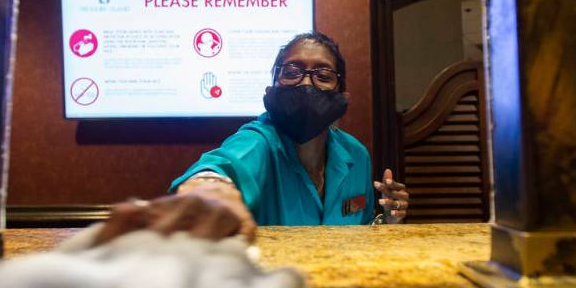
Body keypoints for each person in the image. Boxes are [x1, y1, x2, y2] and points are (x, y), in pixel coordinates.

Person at [168, 31, 409, 231]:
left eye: (323, 75)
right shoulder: (258, 142)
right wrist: (207, 189)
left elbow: (360, 227)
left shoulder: (355, 155)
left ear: (342, 97)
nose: (306, 84)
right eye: (292, 73)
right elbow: (225, 164)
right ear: (271, 89)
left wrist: (388, 220)